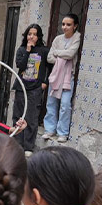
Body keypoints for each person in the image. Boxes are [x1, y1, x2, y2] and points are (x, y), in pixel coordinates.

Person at [43, 14, 81, 143]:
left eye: (68, 24)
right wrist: (62, 57)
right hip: (56, 76)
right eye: (63, 24)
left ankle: (62, 132)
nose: (65, 27)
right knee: (51, 103)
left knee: (65, 104)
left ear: (75, 26)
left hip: (68, 76)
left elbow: (71, 54)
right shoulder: (57, 39)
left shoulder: (77, 37)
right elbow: (49, 58)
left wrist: (58, 54)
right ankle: (49, 129)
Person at [13, 24, 50, 155]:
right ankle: (17, 144)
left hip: (35, 88)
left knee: (31, 117)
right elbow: (20, 66)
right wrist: (28, 51)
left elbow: (50, 68)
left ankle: (28, 147)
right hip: (21, 86)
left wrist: (45, 82)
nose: (32, 36)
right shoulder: (22, 49)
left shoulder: (44, 51)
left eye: (34, 34)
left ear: (38, 36)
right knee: (18, 115)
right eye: (29, 34)